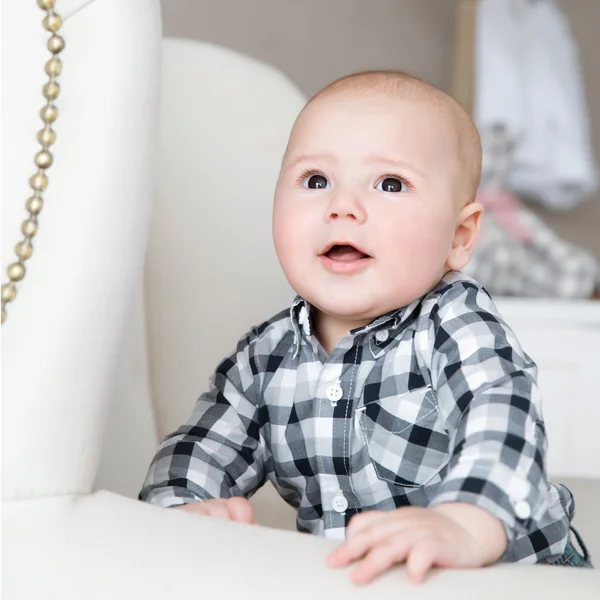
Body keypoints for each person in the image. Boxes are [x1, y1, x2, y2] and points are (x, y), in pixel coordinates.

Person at [140, 70, 592, 584]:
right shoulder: (266, 356)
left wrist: (465, 522)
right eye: (316, 181)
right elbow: (205, 444)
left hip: (512, 575)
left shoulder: (455, 323)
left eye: (390, 184)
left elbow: (501, 417)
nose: (342, 207)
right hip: (362, 578)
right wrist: (183, 505)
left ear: (460, 236)